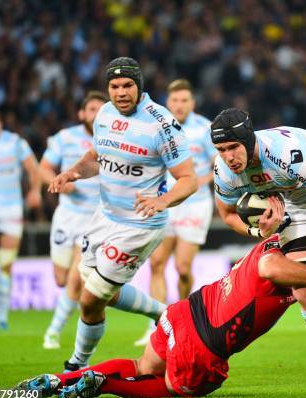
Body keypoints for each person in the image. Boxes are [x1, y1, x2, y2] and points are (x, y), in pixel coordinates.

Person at [15, 215, 306, 398]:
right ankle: (104, 384)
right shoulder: (292, 265)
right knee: (180, 387)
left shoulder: (277, 242)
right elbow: (270, 268)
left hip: (182, 311)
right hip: (204, 344)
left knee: (141, 366)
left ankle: (59, 379)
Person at [48, 57, 198, 373]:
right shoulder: (103, 113)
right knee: (96, 286)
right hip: (103, 217)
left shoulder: (161, 123)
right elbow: (97, 157)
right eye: (114, 87)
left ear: (139, 86)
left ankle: (76, 366)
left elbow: (189, 179)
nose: (121, 92)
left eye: (127, 85)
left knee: (89, 300)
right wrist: (73, 173)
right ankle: (164, 313)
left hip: (139, 225)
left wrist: (163, 201)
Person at [211, 108, 306, 398]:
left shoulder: (287, 153)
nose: (228, 156)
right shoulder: (223, 171)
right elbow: (226, 213)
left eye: (233, 147)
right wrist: (258, 233)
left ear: (249, 140)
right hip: (301, 209)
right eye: (221, 149)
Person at [134, 79, 216, 347]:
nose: (179, 105)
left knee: (182, 268)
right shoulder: (158, 126)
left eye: (184, 101)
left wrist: (194, 182)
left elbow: (219, 165)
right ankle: (156, 325)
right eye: (175, 101)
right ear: (168, 103)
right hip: (164, 202)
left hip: (195, 203)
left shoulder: (205, 129)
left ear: (192, 103)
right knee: (156, 264)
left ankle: (181, 318)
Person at [41, 91, 107, 349]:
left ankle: (53, 332)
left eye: (101, 109)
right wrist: (57, 181)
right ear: (82, 113)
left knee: (75, 277)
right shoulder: (64, 138)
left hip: (94, 219)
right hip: (67, 216)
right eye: (91, 109)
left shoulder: (113, 139)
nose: (96, 114)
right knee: (61, 278)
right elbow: (43, 168)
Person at [0, 108, 42, 330]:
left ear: (0, 123)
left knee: (6, 263)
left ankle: (2, 315)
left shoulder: (15, 143)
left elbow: (34, 169)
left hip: (11, 209)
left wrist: (34, 191)